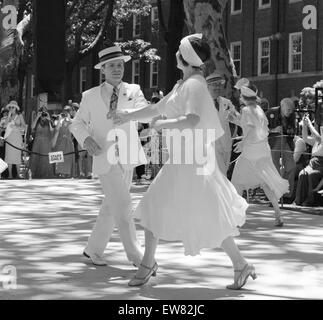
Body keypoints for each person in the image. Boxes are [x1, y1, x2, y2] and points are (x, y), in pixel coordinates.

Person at [114, 34, 255, 290]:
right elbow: (157, 108)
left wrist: (162, 124)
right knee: (198, 213)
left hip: (190, 162)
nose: (175, 54)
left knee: (154, 208)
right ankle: (239, 265)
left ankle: (147, 266)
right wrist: (129, 116)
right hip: (186, 161)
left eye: (178, 50)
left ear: (185, 57)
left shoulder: (193, 86)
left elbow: (191, 119)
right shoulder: (185, 84)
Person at [70, 45, 148, 267]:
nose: (117, 69)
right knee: (123, 206)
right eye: (112, 66)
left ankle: (93, 250)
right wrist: (86, 139)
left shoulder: (134, 90)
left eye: (120, 65)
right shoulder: (90, 96)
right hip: (105, 156)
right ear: (102, 69)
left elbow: (145, 114)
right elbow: (77, 124)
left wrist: (130, 114)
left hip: (128, 157)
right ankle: (138, 258)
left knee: (111, 206)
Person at [230, 84, 289, 227]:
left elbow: (249, 128)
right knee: (265, 183)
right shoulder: (259, 110)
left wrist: (243, 143)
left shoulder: (246, 109)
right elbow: (253, 126)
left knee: (237, 182)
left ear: (243, 97)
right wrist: (234, 119)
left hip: (251, 151)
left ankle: (237, 217)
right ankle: (278, 214)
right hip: (263, 150)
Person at [266, 98, 297, 202]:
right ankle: (274, 195)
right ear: (282, 107)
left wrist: (291, 130)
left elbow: (293, 130)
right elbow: (261, 128)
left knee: (291, 167)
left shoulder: (292, 115)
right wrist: (273, 130)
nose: (291, 112)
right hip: (273, 142)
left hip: (285, 142)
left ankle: (287, 195)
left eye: (292, 109)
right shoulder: (271, 112)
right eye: (288, 109)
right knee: (275, 169)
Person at [206, 72, 234, 175]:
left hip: (226, 145)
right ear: (207, 86)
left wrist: (248, 124)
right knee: (216, 177)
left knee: (223, 174)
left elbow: (236, 118)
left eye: (219, 84)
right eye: (214, 84)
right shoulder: (202, 103)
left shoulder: (226, 102)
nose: (217, 87)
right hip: (210, 146)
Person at [295, 117, 323, 206]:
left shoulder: (319, 139)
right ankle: (299, 201)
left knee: (312, 175)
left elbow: (319, 138)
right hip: (312, 163)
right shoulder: (316, 141)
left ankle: (311, 201)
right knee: (302, 174)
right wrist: (304, 125)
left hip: (321, 164)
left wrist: (310, 125)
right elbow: (305, 137)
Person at [29, 108, 55, 179]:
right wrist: (37, 117)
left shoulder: (49, 121)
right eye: (42, 114)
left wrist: (49, 119)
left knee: (45, 158)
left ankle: (45, 174)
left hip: (46, 143)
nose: (43, 116)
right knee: (36, 157)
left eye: (45, 114)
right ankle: (33, 173)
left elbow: (52, 130)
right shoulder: (37, 121)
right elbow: (32, 127)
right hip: (37, 143)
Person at [4, 101, 26, 179]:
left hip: (17, 137)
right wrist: (9, 116)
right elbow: (4, 125)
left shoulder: (20, 116)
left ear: (16, 108)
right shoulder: (8, 116)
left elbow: (24, 127)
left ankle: (18, 174)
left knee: (17, 156)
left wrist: (17, 127)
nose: (11, 109)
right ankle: (10, 174)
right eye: (10, 107)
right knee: (9, 156)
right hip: (9, 138)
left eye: (13, 107)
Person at [52, 106, 75, 178]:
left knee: (68, 157)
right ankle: (59, 172)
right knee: (59, 156)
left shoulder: (72, 121)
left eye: (68, 111)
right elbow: (57, 128)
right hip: (60, 140)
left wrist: (68, 119)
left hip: (68, 141)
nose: (66, 113)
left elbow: (73, 130)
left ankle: (67, 173)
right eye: (65, 111)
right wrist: (60, 119)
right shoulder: (60, 120)